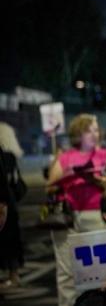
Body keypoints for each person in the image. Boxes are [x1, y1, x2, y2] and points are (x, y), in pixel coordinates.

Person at [46, 114, 106, 306]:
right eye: (89, 130)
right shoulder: (65, 157)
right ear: (77, 133)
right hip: (67, 217)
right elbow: (50, 186)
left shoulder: (104, 154)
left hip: (96, 215)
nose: (94, 134)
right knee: (66, 270)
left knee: (99, 268)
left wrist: (100, 181)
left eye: (96, 130)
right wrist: (68, 175)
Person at [0, 122, 25, 290]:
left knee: (7, 243)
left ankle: (13, 276)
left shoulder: (4, 156)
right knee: (11, 243)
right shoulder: (10, 156)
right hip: (8, 203)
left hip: (4, 204)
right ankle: (13, 275)